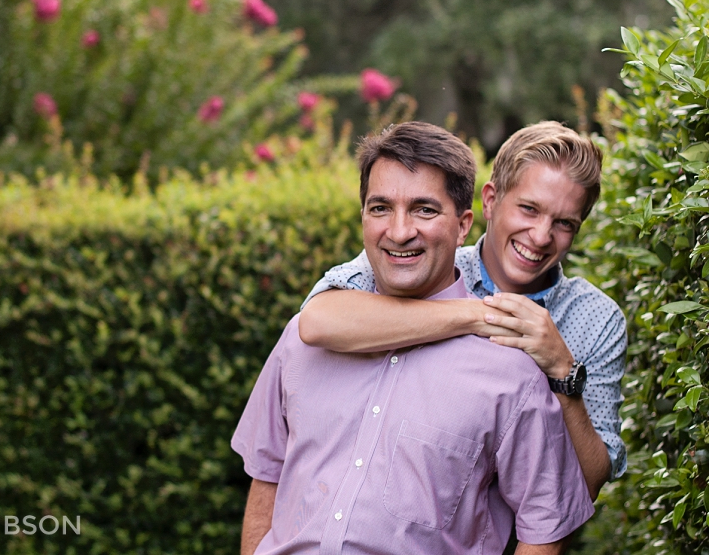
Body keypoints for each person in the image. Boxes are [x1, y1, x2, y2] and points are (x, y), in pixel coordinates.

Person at [232, 121, 594, 555]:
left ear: (463, 226)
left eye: (424, 210)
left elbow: (545, 529)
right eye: (381, 208)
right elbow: (267, 476)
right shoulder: (303, 341)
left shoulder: (512, 371)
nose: (400, 231)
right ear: (363, 217)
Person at [298, 121, 626, 502]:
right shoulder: (428, 260)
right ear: (489, 200)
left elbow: (588, 484)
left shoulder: (596, 319)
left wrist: (563, 373)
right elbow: (319, 320)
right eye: (528, 209)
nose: (540, 236)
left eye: (564, 223)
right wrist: (476, 315)